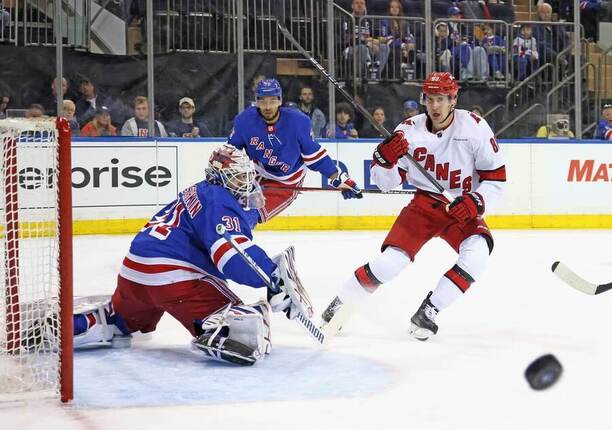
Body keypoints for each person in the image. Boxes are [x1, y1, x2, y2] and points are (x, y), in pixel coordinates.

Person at [70, 144, 307, 365]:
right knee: (247, 325)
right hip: (173, 277)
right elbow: (231, 254)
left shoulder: (201, 191)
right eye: (239, 176)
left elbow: (227, 223)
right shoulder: (219, 200)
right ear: (222, 177)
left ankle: (74, 325)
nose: (246, 181)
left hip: (135, 272)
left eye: (247, 175)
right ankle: (217, 329)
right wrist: (270, 276)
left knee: (118, 321)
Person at [320, 72, 506, 341]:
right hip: (424, 205)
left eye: (441, 99)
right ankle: (341, 304)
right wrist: (385, 162)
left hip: (461, 206)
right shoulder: (408, 131)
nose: (435, 106)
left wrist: (477, 201)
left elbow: (496, 180)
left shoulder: (474, 127)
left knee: (477, 254)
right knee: (390, 263)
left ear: (453, 100)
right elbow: (387, 183)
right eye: (430, 99)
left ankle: (429, 311)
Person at [228, 78, 362, 226]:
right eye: (262, 101)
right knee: (227, 208)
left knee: (250, 215)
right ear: (256, 101)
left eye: (272, 101)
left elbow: (314, 156)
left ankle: (240, 246)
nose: (267, 106)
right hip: (255, 174)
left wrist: (338, 178)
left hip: (286, 181)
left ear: (280, 101)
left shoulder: (297, 122)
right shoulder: (244, 120)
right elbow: (232, 151)